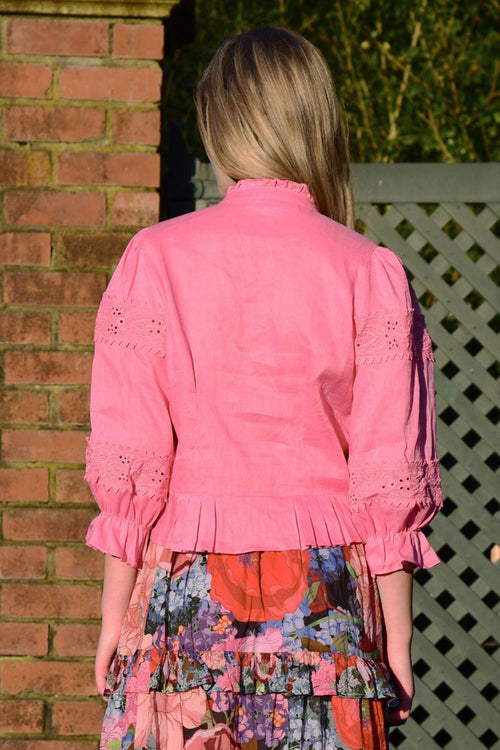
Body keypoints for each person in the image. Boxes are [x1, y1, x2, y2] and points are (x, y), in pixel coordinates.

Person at [85, 26, 442, 750]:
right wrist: (395, 641)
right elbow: (387, 480)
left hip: (184, 607)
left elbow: (135, 461)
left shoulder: (154, 260)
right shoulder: (368, 269)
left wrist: (112, 624)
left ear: (220, 125)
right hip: (326, 607)